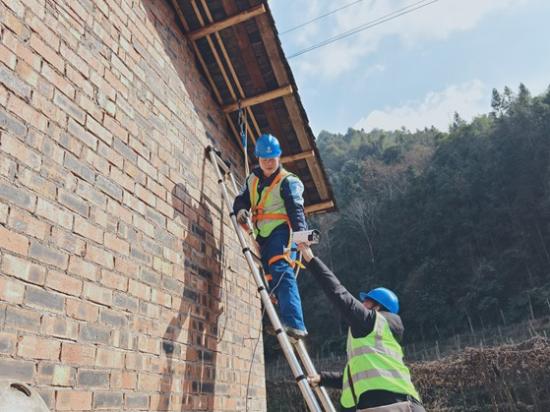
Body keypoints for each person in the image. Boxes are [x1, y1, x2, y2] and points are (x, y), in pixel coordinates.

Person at [297, 244, 425, 412]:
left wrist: (311, 260)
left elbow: (339, 294)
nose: (362, 304)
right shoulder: (377, 343)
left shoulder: (371, 322)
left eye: (367, 301)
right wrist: (323, 378)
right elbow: (357, 378)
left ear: (378, 306)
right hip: (403, 405)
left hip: (390, 406)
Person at [233, 133, 308, 339]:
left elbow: (296, 212)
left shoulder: (288, 181)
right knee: (269, 278)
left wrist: (302, 240)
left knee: (281, 269)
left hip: (281, 231)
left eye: (271, 158)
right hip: (261, 236)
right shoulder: (253, 179)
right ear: (258, 158)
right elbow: (241, 199)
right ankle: (282, 321)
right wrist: (240, 210)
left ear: (279, 156)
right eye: (264, 159)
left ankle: (295, 323)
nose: (268, 162)